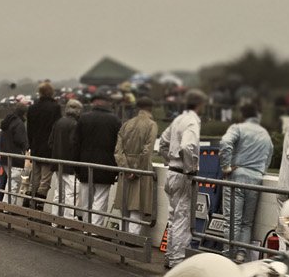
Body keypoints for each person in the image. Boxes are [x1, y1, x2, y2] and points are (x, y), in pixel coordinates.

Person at [219, 102, 275, 259]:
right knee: (246, 222)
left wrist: (226, 167)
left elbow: (225, 143)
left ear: (242, 115)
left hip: (237, 177)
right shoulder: (265, 134)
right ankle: (241, 255)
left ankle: (228, 255)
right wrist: (261, 171)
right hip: (256, 178)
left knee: (232, 221)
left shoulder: (238, 128)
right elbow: (270, 154)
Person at [159, 90, 205, 266]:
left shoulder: (178, 119)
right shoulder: (192, 121)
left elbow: (162, 143)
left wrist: (169, 159)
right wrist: (190, 168)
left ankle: (170, 256)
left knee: (173, 218)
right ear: (200, 105)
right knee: (183, 219)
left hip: (171, 171)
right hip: (182, 174)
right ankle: (177, 261)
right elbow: (187, 146)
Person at [74, 93, 122, 225]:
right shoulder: (115, 120)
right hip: (106, 165)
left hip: (84, 165)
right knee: (101, 198)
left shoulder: (83, 119)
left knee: (86, 199)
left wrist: (76, 167)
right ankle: (96, 228)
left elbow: (75, 143)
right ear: (107, 103)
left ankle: (86, 225)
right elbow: (119, 146)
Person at [114, 96, 159, 236]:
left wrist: (126, 168)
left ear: (138, 107)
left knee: (125, 204)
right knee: (137, 205)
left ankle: (123, 235)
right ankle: (132, 238)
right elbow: (147, 151)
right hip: (141, 168)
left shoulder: (126, 124)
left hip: (125, 167)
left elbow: (117, 151)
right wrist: (137, 171)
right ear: (151, 108)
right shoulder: (151, 125)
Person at [26, 81, 62, 209]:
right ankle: (38, 206)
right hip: (49, 148)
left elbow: (29, 129)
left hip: (35, 147)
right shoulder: (55, 108)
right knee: (45, 180)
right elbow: (57, 128)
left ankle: (28, 203)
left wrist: (30, 145)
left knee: (34, 178)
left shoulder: (32, 108)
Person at [48, 98, 82, 219]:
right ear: (78, 111)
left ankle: (55, 218)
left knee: (58, 192)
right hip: (70, 165)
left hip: (57, 163)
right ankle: (68, 220)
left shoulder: (58, 122)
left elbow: (50, 142)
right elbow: (75, 145)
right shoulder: (75, 125)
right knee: (71, 193)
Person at [0, 97, 29, 205]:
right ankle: (8, 207)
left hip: (5, 156)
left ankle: (7, 205)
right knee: (14, 183)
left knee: (10, 182)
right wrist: (27, 147)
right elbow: (20, 140)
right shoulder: (19, 123)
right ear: (23, 113)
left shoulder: (7, 121)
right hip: (15, 157)